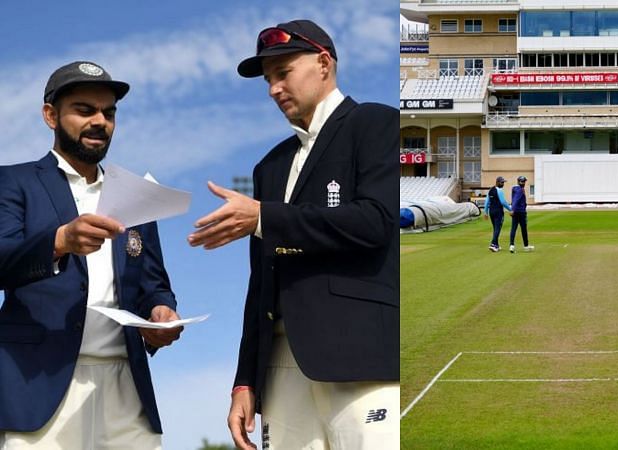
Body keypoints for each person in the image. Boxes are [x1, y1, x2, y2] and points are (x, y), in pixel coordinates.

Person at [186, 20, 399, 450]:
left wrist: (265, 217)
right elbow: (260, 284)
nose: (273, 90)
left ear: (323, 63)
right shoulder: (270, 165)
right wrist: (245, 381)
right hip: (280, 369)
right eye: (268, 80)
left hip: (360, 356)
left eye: (283, 73)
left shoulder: (377, 123)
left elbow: (375, 221)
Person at [0, 61, 182, 449]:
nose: (99, 120)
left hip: (127, 389)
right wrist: (60, 240)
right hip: (40, 386)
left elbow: (154, 285)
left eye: (109, 112)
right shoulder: (13, 182)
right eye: (84, 110)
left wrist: (161, 313)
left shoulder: (135, 195)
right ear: (50, 115)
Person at [484, 176, 512, 252]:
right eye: (502, 182)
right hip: (498, 212)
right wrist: (511, 209)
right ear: (497, 182)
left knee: (495, 228)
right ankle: (493, 244)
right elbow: (503, 202)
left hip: (491, 212)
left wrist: (485, 212)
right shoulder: (499, 190)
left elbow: (486, 202)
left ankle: (496, 245)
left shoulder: (490, 190)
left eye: (503, 182)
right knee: (497, 228)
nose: (503, 184)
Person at [509, 175, 534, 253]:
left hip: (516, 212)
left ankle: (512, 245)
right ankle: (526, 246)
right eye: (522, 181)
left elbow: (514, 200)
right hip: (521, 212)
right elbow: (516, 200)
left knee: (514, 228)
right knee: (523, 229)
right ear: (518, 181)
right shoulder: (519, 190)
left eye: (524, 181)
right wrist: (512, 209)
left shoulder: (516, 189)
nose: (523, 183)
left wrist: (513, 209)